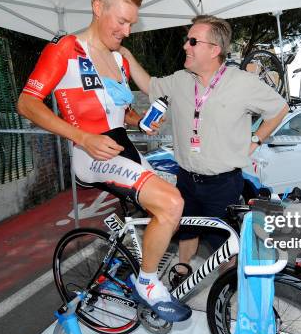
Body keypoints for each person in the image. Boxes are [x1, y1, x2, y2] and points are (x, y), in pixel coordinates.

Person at [16, 0, 191, 323]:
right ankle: (146, 281)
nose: (127, 31)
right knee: (171, 204)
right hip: (91, 152)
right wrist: (81, 137)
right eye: (123, 21)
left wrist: (138, 120)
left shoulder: (120, 56)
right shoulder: (65, 49)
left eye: (131, 23)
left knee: (169, 207)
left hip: (122, 144)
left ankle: (126, 260)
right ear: (98, 8)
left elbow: (116, 109)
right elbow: (27, 103)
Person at [120, 15, 288, 280]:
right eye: (187, 41)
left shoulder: (242, 82)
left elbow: (280, 109)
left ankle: (228, 287)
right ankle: (183, 268)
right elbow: (150, 85)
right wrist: (126, 54)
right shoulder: (180, 80)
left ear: (214, 49)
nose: (186, 46)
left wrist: (255, 140)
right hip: (186, 178)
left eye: (193, 41)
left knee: (225, 245)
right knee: (187, 229)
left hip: (224, 184)